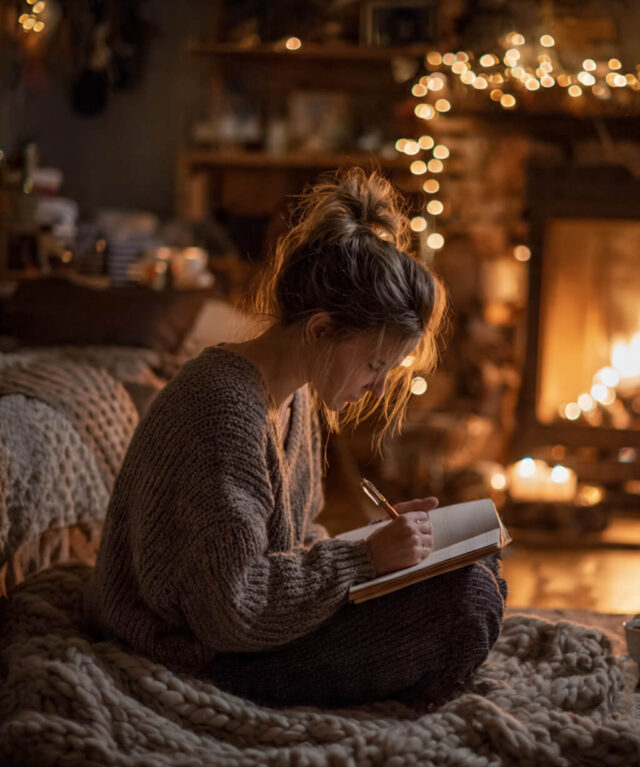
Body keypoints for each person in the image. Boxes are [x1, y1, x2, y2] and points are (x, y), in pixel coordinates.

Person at [83, 168, 506, 708]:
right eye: (374, 365)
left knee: (477, 567)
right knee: (468, 600)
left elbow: (296, 542)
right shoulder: (221, 410)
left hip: (255, 629)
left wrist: (378, 546)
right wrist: (364, 561)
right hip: (198, 651)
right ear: (320, 330)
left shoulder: (296, 395)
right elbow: (231, 611)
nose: (377, 389)